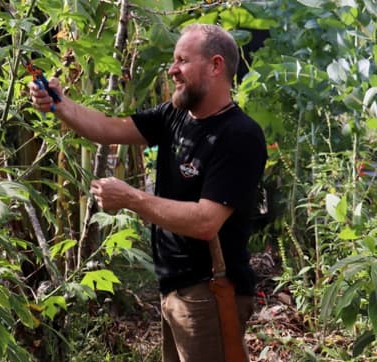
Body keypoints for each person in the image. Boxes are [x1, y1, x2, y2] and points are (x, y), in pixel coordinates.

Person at [29, 23, 267, 362]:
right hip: (176, 288)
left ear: (215, 66)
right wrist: (59, 104)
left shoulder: (239, 135)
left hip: (210, 293)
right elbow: (110, 128)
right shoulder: (176, 115)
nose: (172, 70)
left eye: (182, 61)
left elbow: (206, 221)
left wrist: (131, 198)